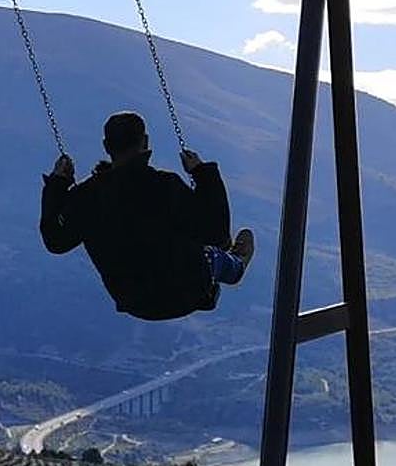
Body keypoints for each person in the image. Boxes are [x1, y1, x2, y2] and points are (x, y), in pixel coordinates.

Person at [40, 111, 254, 322]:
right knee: (212, 255)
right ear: (145, 142)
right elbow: (216, 233)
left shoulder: (86, 197)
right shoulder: (165, 186)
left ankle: (225, 264)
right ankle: (236, 265)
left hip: (134, 301)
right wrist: (202, 174)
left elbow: (55, 241)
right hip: (188, 289)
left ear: (106, 146)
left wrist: (57, 185)